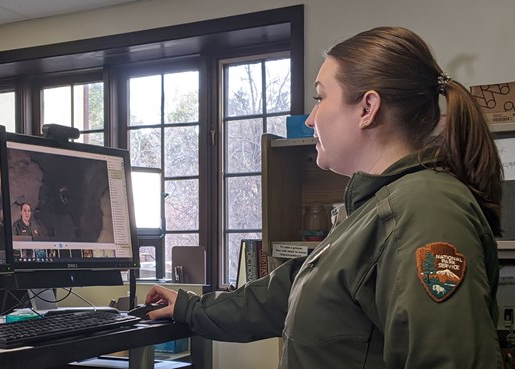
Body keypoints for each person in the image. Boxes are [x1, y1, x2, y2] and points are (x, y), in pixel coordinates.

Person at [145, 27, 504, 368]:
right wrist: (190, 309)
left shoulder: (425, 209)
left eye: (320, 97)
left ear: (367, 108)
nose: (311, 118)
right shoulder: (373, 209)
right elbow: (285, 294)